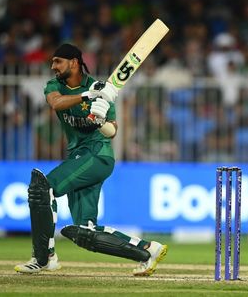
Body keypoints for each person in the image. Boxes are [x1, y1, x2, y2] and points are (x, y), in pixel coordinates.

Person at [14, 43, 168, 276]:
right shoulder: (56, 86)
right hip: (79, 157)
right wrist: (87, 95)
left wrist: (100, 122)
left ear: (74, 62)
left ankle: (44, 258)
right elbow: (56, 103)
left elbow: (112, 131)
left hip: (98, 155)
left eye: (58, 61)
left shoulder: (101, 90)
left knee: (42, 187)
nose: (53, 66)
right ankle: (148, 250)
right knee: (85, 232)